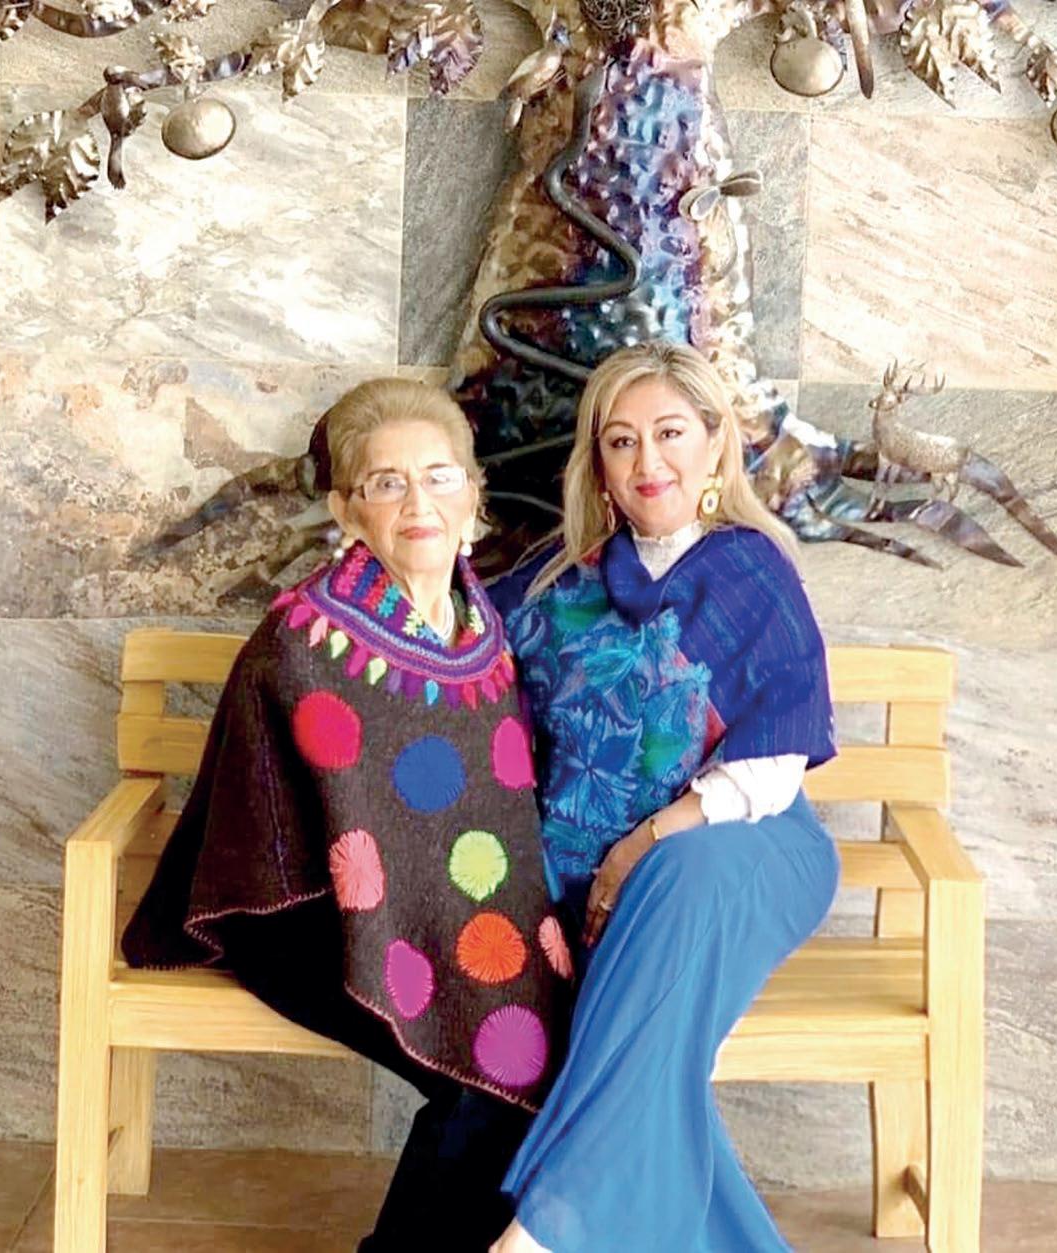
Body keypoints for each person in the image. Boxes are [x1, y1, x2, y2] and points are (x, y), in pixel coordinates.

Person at [121, 378, 572, 1252]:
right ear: (346, 509)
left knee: (544, 1043)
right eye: (386, 482)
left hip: (440, 917)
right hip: (298, 915)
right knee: (487, 1072)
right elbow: (271, 827)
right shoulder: (305, 639)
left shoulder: (483, 628)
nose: (418, 503)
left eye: (438, 477)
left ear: (474, 495)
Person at [486, 342, 841, 1253]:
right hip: (608, 882)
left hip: (750, 844)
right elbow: (464, 641)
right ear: (598, 463)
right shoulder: (561, 578)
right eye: (622, 440)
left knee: (678, 871)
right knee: (655, 1059)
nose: (649, 461)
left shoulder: (752, 570)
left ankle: (545, 1237)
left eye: (672, 433)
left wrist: (640, 844)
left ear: (716, 442)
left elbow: (775, 762)